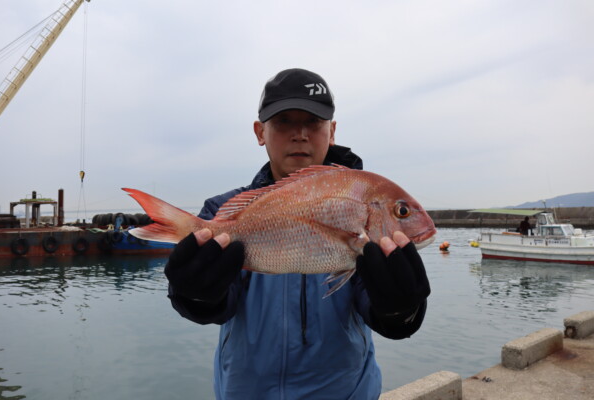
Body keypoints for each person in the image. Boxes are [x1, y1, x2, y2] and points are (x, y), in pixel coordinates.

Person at [164, 68, 431, 400]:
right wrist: (193, 294)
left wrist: (402, 309)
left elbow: (378, 309)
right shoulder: (223, 210)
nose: (300, 134)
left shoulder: (366, 214)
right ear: (260, 132)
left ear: (332, 131)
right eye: (284, 121)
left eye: (314, 122)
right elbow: (219, 303)